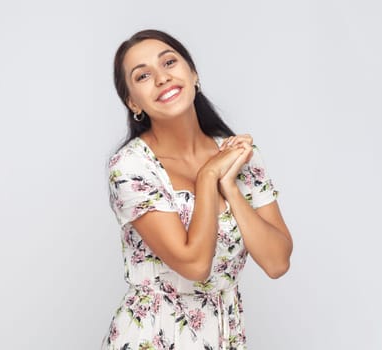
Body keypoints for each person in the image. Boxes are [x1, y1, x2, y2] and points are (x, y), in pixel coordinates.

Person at [102, 29, 293, 349]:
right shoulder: (131, 167)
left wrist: (229, 186)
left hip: (224, 336)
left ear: (193, 74)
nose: (162, 78)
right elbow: (194, 265)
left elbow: (277, 263)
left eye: (170, 63)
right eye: (144, 75)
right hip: (153, 337)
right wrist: (207, 178)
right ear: (133, 102)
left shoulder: (238, 156)